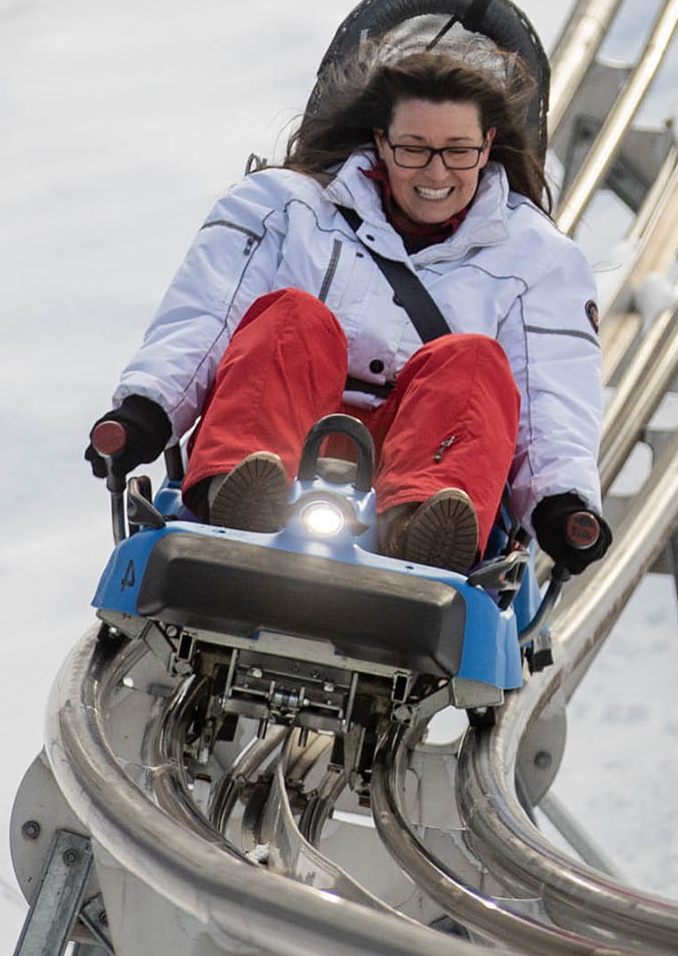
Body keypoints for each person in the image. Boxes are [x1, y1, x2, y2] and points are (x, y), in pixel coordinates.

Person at [85, 40, 613, 577]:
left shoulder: (540, 258)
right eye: (413, 149)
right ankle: (238, 494)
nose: (435, 174)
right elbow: (206, 317)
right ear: (381, 142)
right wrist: (146, 411)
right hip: (287, 435)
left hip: (433, 455)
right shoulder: (281, 206)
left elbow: (553, 394)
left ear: (487, 145)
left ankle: (420, 531)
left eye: (457, 151)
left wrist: (562, 501)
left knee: (472, 360)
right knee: (293, 317)